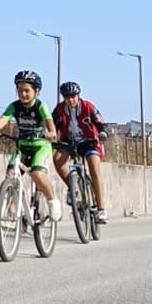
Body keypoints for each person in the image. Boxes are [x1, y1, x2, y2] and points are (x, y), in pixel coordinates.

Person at [0, 70, 63, 222]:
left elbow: (50, 126)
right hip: (22, 147)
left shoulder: (41, 106)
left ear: (36, 91)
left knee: (37, 174)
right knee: (10, 175)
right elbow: (3, 119)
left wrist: (51, 133)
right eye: (20, 90)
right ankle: (15, 209)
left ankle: (53, 201)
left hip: (40, 147)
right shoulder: (14, 106)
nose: (23, 94)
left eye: (27, 90)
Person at [52, 81, 109, 224]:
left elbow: (101, 123)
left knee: (94, 167)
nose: (70, 99)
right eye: (67, 97)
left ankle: (101, 209)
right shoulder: (59, 109)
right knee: (58, 160)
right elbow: (51, 124)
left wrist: (102, 132)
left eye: (73, 96)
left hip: (90, 142)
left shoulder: (88, 107)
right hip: (69, 142)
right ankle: (73, 188)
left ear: (78, 95)